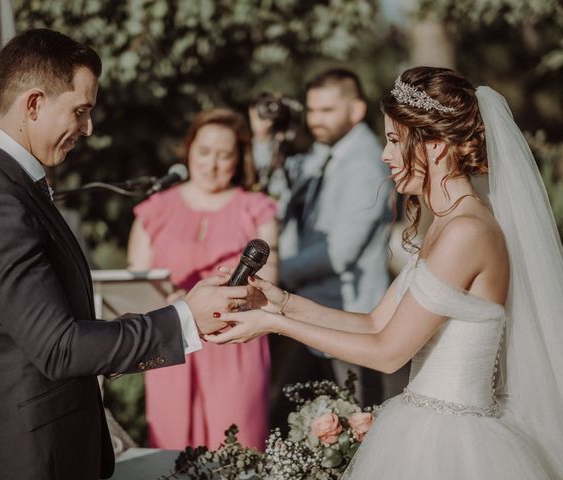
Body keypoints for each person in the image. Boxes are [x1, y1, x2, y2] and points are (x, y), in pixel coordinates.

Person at [207, 66, 563, 478]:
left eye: (395, 140)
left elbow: (389, 351)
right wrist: (281, 302)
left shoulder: (467, 231)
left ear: (436, 146)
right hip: (423, 423)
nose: (385, 154)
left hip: (454, 445)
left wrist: (273, 325)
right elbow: (376, 322)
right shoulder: (446, 223)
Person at [0, 29, 249, 480]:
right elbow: (59, 348)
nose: (88, 128)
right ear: (35, 103)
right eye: (80, 111)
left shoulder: (10, 188)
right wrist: (185, 319)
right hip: (28, 458)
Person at [127, 108, 279, 450]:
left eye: (224, 155)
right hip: (171, 344)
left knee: (236, 451)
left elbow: (271, 281)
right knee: (170, 452)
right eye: (204, 152)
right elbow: (137, 281)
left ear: (239, 159)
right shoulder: (155, 209)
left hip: (235, 347)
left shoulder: (256, 208)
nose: (212, 165)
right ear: (189, 149)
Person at [279, 69, 395, 405]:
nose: (316, 120)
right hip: (313, 314)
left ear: (356, 110)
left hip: (353, 317)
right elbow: (276, 186)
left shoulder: (365, 164)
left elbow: (341, 251)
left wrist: (279, 274)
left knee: (357, 421)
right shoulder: (322, 154)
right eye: (312, 110)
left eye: (327, 111)